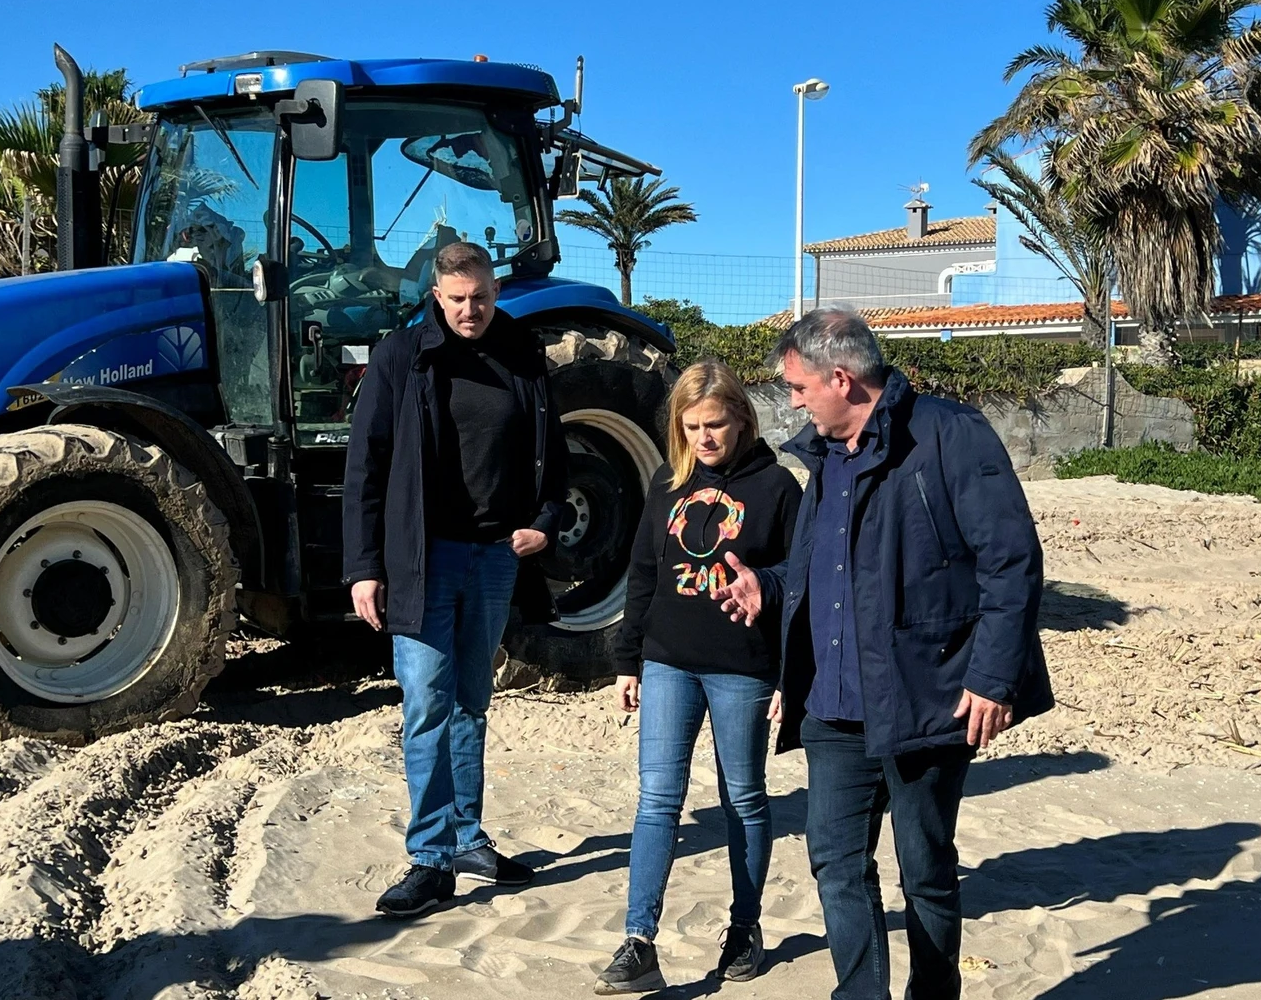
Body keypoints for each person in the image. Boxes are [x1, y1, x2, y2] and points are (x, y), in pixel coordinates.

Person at [717, 308, 1053, 1000]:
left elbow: (1012, 560)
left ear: (841, 377)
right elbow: (820, 569)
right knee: (835, 862)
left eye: (800, 386)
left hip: (927, 696)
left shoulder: (948, 435)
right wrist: (768, 588)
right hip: (833, 705)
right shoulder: (826, 455)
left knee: (925, 868)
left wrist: (992, 677)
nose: (795, 400)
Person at [343, 240, 569, 918]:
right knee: (427, 701)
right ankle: (430, 855)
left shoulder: (523, 357)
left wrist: (546, 522)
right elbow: (367, 467)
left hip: (496, 555)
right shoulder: (401, 357)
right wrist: (364, 569)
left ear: (496, 292)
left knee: (472, 697)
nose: (471, 310)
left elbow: (552, 457)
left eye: (482, 297)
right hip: (424, 557)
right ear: (437, 296)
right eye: (459, 298)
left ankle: (468, 836)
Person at [595, 361, 802, 994]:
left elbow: (804, 585)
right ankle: (638, 940)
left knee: (743, 797)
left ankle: (745, 926)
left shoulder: (778, 488)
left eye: (716, 425)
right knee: (658, 798)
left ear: (742, 417)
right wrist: (627, 661)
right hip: (667, 661)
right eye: (692, 428)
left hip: (743, 667)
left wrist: (793, 676)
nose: (705, 438)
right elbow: (642, 574)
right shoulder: (666, 482)